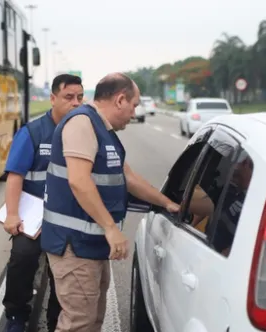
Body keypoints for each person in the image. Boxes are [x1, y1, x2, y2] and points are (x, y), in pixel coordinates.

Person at [40, 73, 180, 332]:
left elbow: (128, 178)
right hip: (73, 244)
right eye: (134, 105)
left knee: (91, 320)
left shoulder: (103, 130)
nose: (134, 112)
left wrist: (168, 203)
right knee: (78, 323)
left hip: (89, 245)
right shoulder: (82, 124)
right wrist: (111, 229)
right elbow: (79, 182)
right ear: (120, 99)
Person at [1, 74, 84, 332]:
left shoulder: (84, 132)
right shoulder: (33, 132)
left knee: (62, 271)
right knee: (22, 257)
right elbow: (15, 176)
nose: (75, 103)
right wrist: (12, 215)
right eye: (69, 97)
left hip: (68, 218)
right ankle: (16, 315)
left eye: (80, 97)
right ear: (53, 98)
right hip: (34, 216)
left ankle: (56, 321)